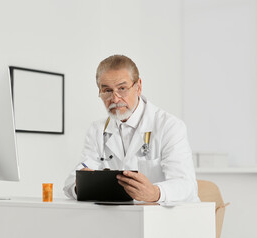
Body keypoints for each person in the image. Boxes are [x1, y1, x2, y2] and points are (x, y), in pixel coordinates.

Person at [63, 55, 199, 202]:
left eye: (122, 88)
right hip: (125, 218)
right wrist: (82, 185)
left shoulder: (169, 126)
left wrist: (156, 193)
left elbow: (186, 185)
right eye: (107, 91)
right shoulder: (97, 130)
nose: (115, 99)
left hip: (169, 217)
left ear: (138, 87)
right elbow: (71, 183)